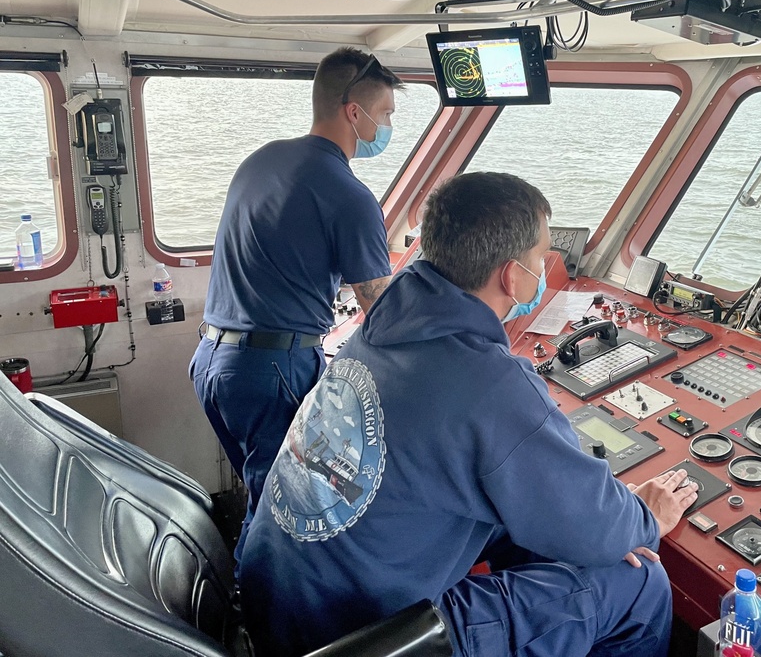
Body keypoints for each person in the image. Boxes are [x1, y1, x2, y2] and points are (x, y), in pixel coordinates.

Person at [240, 172, 699, 657]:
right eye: (543, 257)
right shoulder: (490, 382)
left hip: (278, 601)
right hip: (364, 634)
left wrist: (592, 522)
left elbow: (567, 512)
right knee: (640, 580)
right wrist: (644, 518)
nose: (547, 268)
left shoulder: (384, 321)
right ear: (511, 275)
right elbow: (602, 528)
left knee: (536, 534)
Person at [189, 48, 402, 563]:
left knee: (258, 491)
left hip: (212, 362)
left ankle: (247, 591)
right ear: (356, 112)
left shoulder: (261, 160)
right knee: (284, 510)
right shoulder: (349, 195)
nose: (389, 125)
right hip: (271, 371)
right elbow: (386, 312)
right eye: (388, 113)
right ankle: (258, 617)